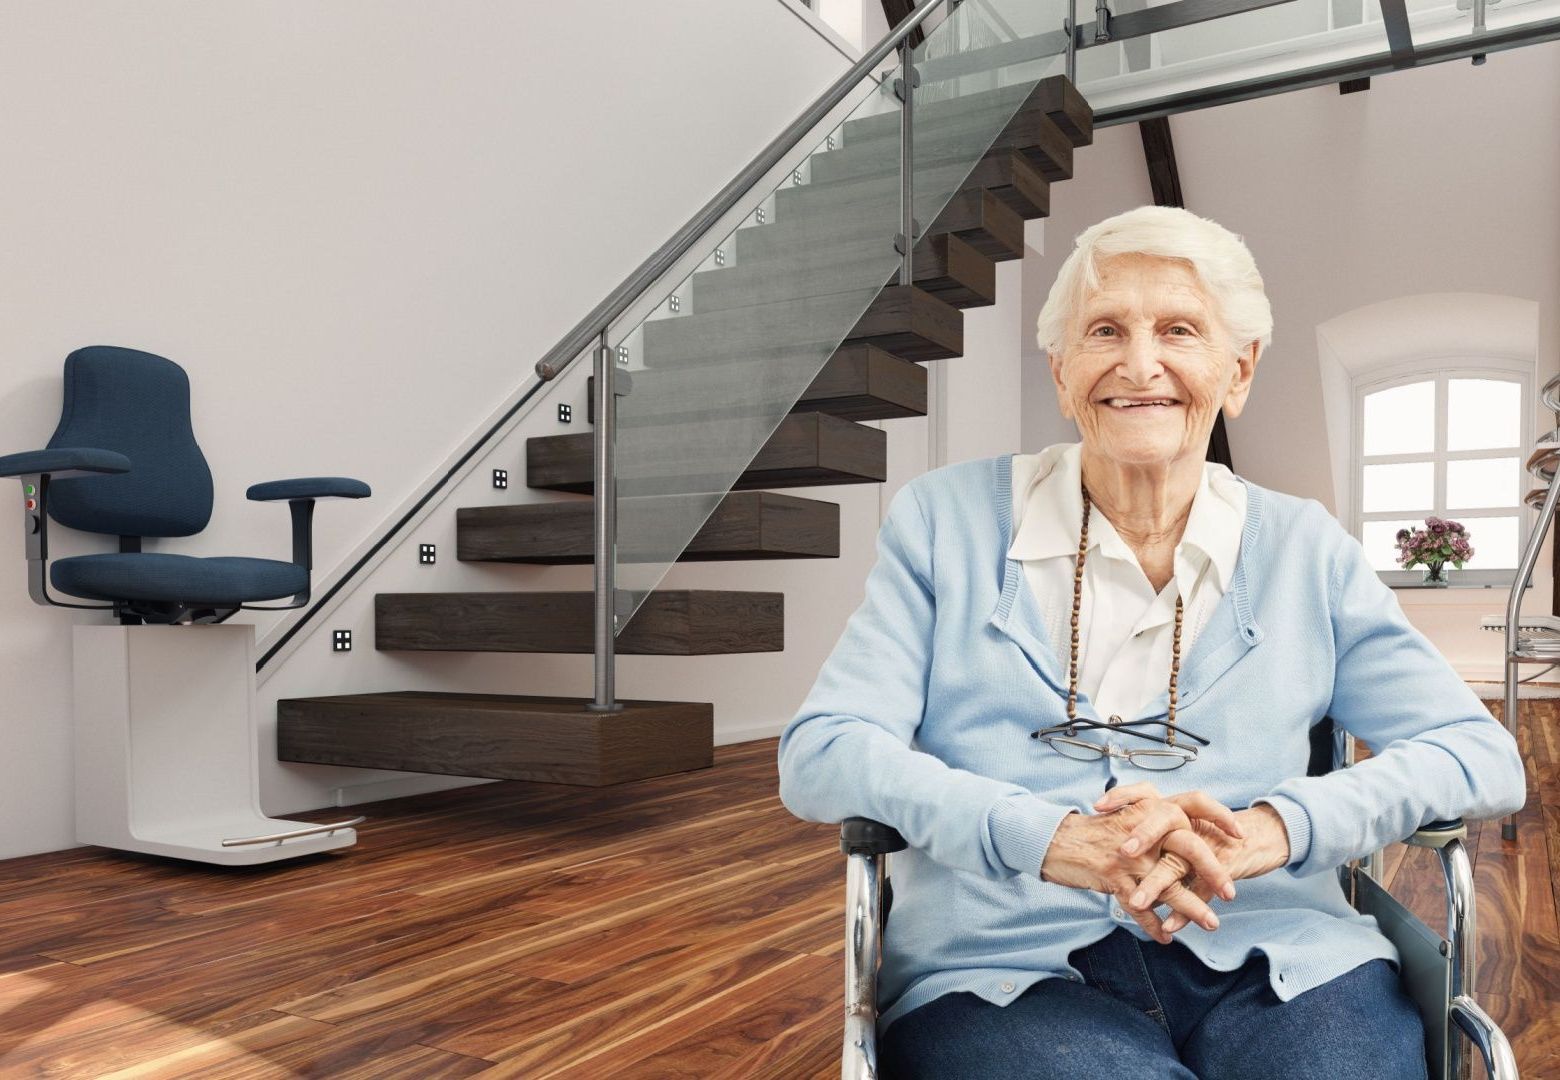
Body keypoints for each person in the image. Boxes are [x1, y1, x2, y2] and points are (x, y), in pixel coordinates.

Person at [776, 204, 1526, 1079]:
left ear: (1238, 370)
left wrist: (1273, 827)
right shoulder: (945, 523)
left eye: (1179, 329)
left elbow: (1480, 753)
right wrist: (1039, 833)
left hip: (1278, 949)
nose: (1141, 364)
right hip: (1001, 966)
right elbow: (824, 750)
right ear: (1062, 373)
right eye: (1105, 331)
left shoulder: (1305, 548)